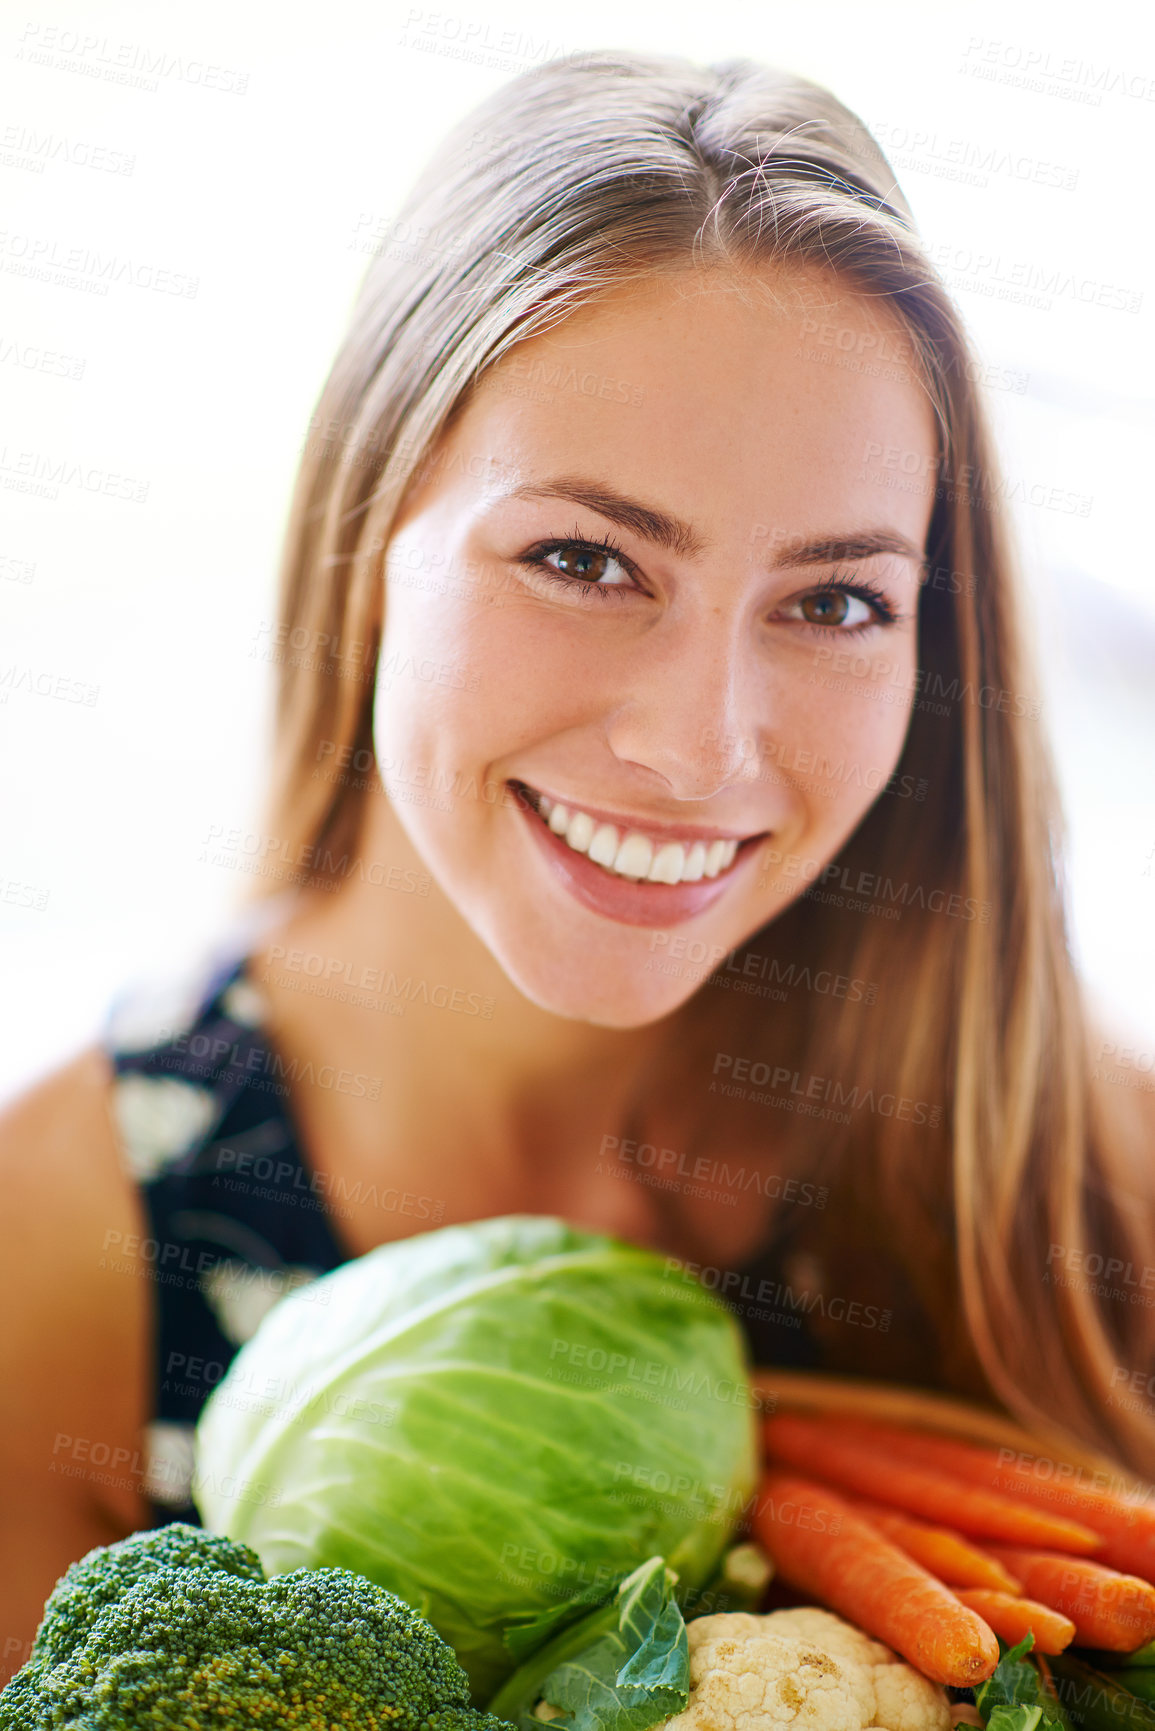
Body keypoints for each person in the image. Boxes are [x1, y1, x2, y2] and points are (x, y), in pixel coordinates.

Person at [2, 47, 1152, 1673]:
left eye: (833, 601)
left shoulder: (1082, 1169)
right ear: (369, 528)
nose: (701, 745)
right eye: (584, 557)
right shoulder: (56, 1248)